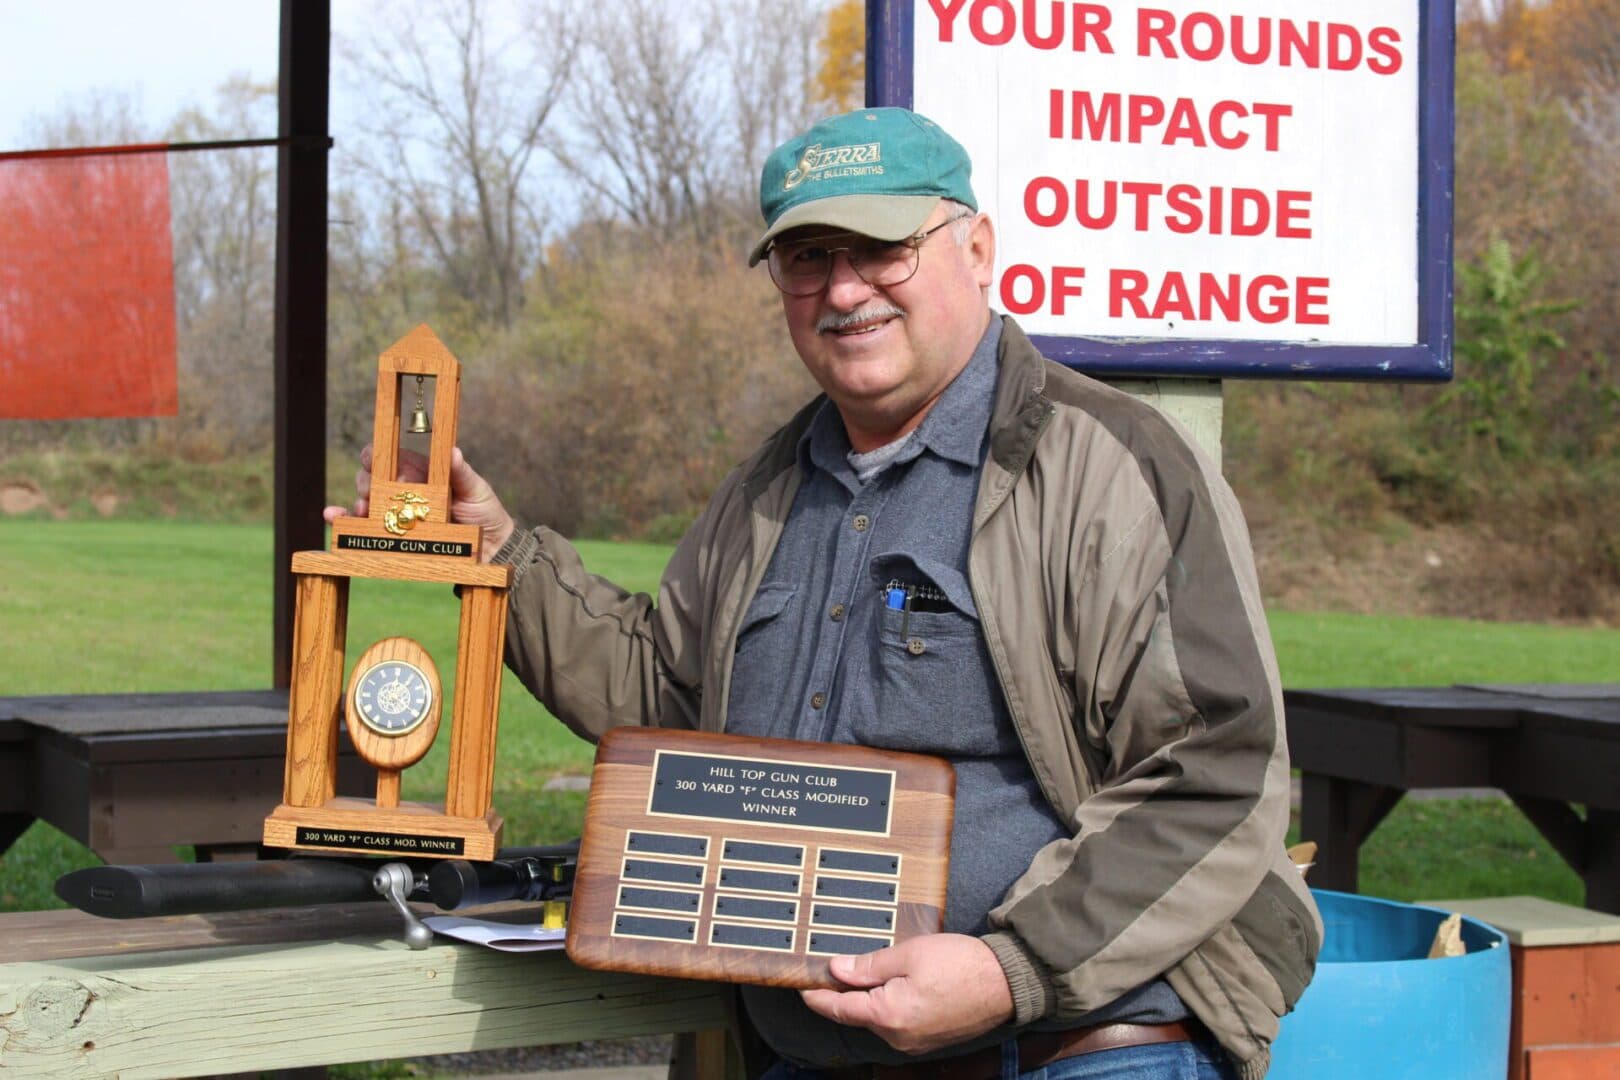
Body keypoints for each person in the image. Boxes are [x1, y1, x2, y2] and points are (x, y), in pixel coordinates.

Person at [328, 107, 1320, 1080]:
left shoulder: (1111, 466)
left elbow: (1217, 767)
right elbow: (665, 699)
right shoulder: (767, 488)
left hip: (1072, 1050)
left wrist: (1009, 968)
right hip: (812, 1055)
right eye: (808, 259)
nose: (845, 289)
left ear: (977, 249)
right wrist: (499, 551)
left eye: (883, 248)